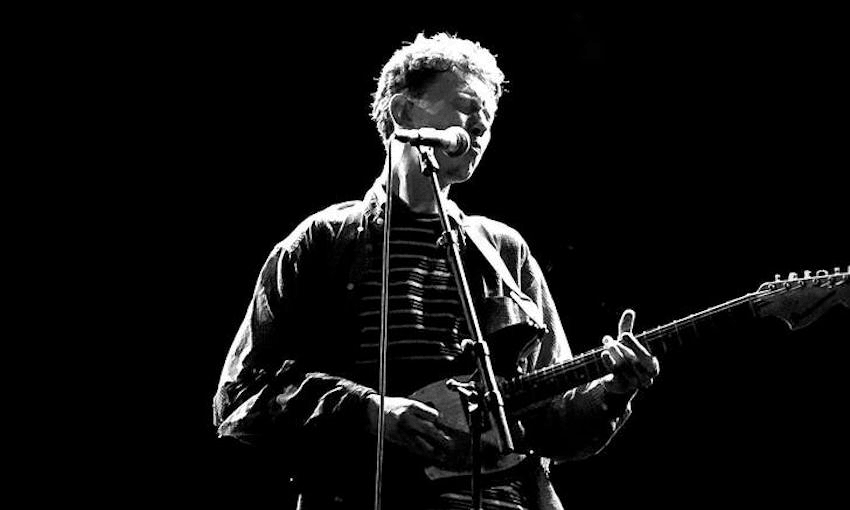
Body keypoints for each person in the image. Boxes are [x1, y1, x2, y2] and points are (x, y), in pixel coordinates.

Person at [213, 32, 660, 510]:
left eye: (487, 122)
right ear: (404, 113)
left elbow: (549, 416)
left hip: (503, 499)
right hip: (366, 495)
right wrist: (367, 410)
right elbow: (241, 397)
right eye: (466, 108)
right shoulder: (323, 241)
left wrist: (611, 393)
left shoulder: (503, 250)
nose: (479, 130)